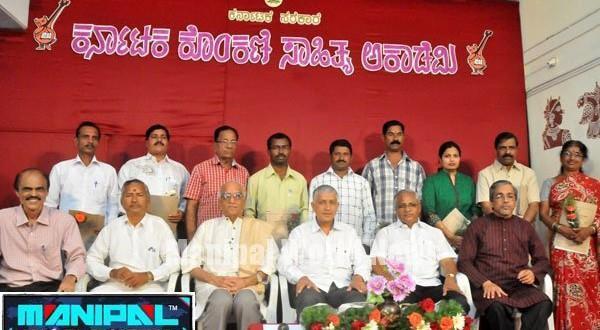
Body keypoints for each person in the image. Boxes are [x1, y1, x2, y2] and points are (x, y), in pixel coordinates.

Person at [181, 181, 278, 330]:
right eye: (227, 196)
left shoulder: (259, 228)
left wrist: (245, 282)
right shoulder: (207, 227)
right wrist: (215, 280)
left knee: (246, 300)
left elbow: (270, 263)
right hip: (211, 286)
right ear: (220, 202)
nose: (232, 200)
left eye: (237, 196)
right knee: (221, 299)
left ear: (244, 201)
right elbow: (189, 262)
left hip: (249, 285)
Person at [458, 180, 552, 330]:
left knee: (543, 303)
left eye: (510, 196)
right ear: (491, 201)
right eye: (500, 196)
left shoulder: (525, 226)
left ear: (515, 201)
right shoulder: (477, 226)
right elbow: (464, 261)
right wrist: (484, 282)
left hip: (520, 286)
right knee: (497, 309)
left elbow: (542, 259)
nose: (506, 200)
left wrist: (532, 273)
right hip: (489, 287)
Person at [371, 189, 469, 313]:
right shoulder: (385, 233)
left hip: (432, 286)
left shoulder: (434, 233)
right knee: (396, 312)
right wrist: (391, 280)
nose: (407, 209)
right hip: (401, 289)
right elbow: (377, 262)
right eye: (402, 206)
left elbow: (447, 260)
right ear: (396, 210)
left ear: (419, 207)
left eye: (412, 205)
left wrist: (450, 277)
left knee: (459, 303)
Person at [278, 185, 370, 316]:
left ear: (337, 206)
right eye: (322, 202)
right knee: (309, 303)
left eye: (332, 203)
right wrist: (300, 277)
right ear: (313, 206)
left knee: (357, 302)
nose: (327, 208)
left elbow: (362, 260)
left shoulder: (348, 232)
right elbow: (284, 262)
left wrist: (359, 276)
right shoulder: (300, 233)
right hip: (312, 287)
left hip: (344, 287)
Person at [539, 140, 600, 329]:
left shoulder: (595, 185)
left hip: (587, 244)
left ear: (583, 160)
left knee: (590, 288)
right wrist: (559, 227)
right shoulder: (550, 183)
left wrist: (589, 230)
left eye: (577, 154)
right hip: (561, 244)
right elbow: (543, 214)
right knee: (564, 288)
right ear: (561, 157)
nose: (571, 157)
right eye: (567, 153)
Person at [86, 179, 180, 292]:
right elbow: (91, 260)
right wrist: (112, 272)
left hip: (150, 286)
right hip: (115, 285)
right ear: (121, 201)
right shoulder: (112, 227)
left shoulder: (159, 226)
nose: (134, 200)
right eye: (129, 195)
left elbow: (174, 261)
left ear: (148, 200)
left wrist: (148, 275)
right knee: (94, 300)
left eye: (139, 195)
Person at [0, 168, 86, 292]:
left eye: (39, 189)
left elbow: (77, 256)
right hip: (9, 289)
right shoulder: (2, 219)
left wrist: (70, 278)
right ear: (17, 192)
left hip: (50, 288)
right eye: (27, 189)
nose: (33, 194)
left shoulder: (64, 221)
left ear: (47, 192)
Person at [118, 124, 190, 231]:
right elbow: (120, 195)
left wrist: (181, 212)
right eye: (154, 137)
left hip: (169, 227)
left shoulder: (180, 170)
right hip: (136, 225)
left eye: (163, 137)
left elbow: (187, 196)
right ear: (146, 142)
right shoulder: (131, 166)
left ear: (168, 143)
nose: (159, 140)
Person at [46, 121, 119, 224]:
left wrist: (110, 230)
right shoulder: (61, 169)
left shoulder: (108, 171)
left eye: (94, 138)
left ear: (98, 142)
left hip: (98, 233)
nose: (90, 141)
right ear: (76, 141)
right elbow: (50, 204)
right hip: (66, 229)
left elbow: (113, 206)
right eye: (85, 137)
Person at [309, 139, 377, 247]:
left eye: (345, 154)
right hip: (323, 243)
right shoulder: (317, 181)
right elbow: (311, 214)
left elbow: (369, 216)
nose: (341, 158)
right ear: (331, 156)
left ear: (351, 157)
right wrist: (313, 241)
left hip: (354, 244)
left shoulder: (361, 183)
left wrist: (365, 243)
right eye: (337, 154)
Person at [185, 125, 249, 239]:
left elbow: (245, 206)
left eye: (233, 142)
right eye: (225, 141)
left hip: (235, 235)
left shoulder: (243, 172)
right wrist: (192, 237)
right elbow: (191, 206)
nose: (229, 146)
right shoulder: (200, 169)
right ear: (215, 145)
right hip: (207, 235)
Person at [245, 132, 309, 240]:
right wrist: (255, 236)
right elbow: (249, 212)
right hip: (264, 239)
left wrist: (302, 236)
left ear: (289, 150)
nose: (280, 152)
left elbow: (304, 210)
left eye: (284, 147)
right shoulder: (255, 180)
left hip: (293, 239)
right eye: (276, 148)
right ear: (268, 151)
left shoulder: (300, 180)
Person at [362, 120, 426, 227]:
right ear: (383, 137)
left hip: (408, 229)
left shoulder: (416, 168)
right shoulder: (372, 167)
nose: (395, 138)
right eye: (391, 134)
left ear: (403, 137)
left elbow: (421, 202)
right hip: (379, 230)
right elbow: (364, 201)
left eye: (399, 134)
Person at [422, 141, 479, 249]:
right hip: (439, 238)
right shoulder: (431, 181)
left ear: (459, 158)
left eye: (455, 156)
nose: (452, 159)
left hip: (467, 238)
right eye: (447, 156)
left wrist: (471, 231)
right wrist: (449, 236)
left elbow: (475, 209)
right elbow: (429, 212)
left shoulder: (468, 181)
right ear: (440, 159)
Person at [476, 132, 540, 223]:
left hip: (524, 229)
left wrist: (521, 228)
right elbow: (486, 206)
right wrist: (503, 228)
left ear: (517, 149)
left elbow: (534, 205)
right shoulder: (484, 174)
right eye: (503, 148)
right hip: (495, 230)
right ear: (496, 149)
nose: (507, 152)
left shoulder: (529, 173)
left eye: (511, 148)